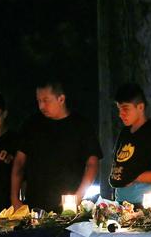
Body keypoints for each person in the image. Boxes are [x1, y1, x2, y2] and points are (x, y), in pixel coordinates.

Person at [12, 80, 102, 212]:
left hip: (69, 205)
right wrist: (14, 197)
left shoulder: (81, 126)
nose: (41, 106)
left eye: (46, 100)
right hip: (34, 205)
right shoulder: (31, 125)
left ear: (61, 99)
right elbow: (19, 163)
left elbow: (92, 164)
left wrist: (79, 196)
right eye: (39, 101)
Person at [108, 83, 151, 206]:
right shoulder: (124, 132)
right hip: (120, 203)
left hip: (143, 204)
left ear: (140, 107)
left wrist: (131, 176)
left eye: (125, 108)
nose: (121, 114)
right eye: (119, 109)